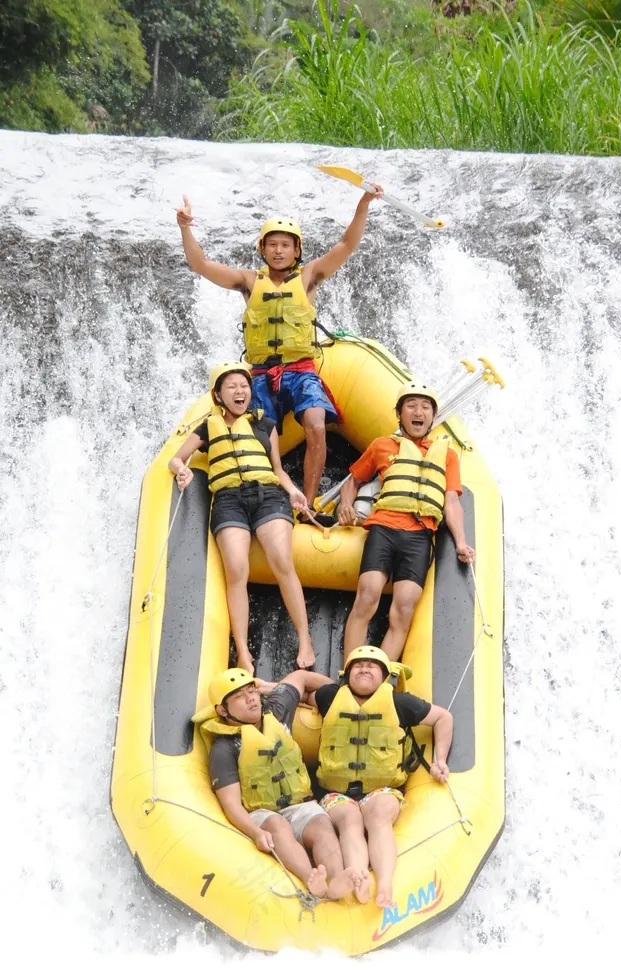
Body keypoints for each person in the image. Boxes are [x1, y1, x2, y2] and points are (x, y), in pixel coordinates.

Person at [176, 190, 384, 510]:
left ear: (296, 249)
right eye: (272, 244)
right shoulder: (248, 281)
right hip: (261, 375)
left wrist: (363, 204)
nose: (278, 250)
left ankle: (308, 503)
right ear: (263, 249)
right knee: (256, 437)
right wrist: (185, 227)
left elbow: (346, 245)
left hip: (301, 371)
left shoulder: (309, 276)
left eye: (285, 244)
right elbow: (200, 264)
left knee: (316, 423)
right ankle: (266, 500)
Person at [168, 361, 315, 670]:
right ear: (218, 395)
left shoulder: (265, 425)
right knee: (236, 569)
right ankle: (244, 652)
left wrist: (293, 491)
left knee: (281, 560)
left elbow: (277, 469)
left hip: (268, 496)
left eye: (244, 386)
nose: (240, 391)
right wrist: (182, 471)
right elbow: (176, 458)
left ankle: (304, 639)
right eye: (232, 386)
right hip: (229, 500)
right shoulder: (207, 427)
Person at [193, 666, 368, 901]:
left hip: (299, 804)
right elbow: (231, 804)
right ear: (222, 710)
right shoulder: (224, 749)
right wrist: (256, 833)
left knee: (321, 825)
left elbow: (301, 677)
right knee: (277, 825)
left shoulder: (276, 709)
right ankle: (311, 879)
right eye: (239, 697)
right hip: (262, 813)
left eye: (251, 692)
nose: (250, 699)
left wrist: (339, 692)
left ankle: (336, 880)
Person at [305, 646, 454, 908]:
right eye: (358, 665)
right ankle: (359, 879)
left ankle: (384, 885)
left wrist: (439, 760)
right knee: (350, 820)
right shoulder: (330, 696)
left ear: (385, 677)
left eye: (372, 665)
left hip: (382, 789)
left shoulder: (400, 703)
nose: (364, 668)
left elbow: (443, 717)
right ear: (347, 675)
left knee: (379, 816)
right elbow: (306, 694)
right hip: (336, 792)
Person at [337, 382, 477, 661]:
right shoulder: (382, 445)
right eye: (411, 406)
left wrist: (461, 542)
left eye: (425, 407)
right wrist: (346, 505)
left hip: (420, 536)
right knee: (368, 596)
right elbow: (352, 482)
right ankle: (351, 670)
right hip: (384, 530)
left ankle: (379, 676)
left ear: (432, 416)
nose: (418, 412)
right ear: (399, 414)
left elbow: (451, 502)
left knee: (403, 610)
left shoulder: (447, 455)